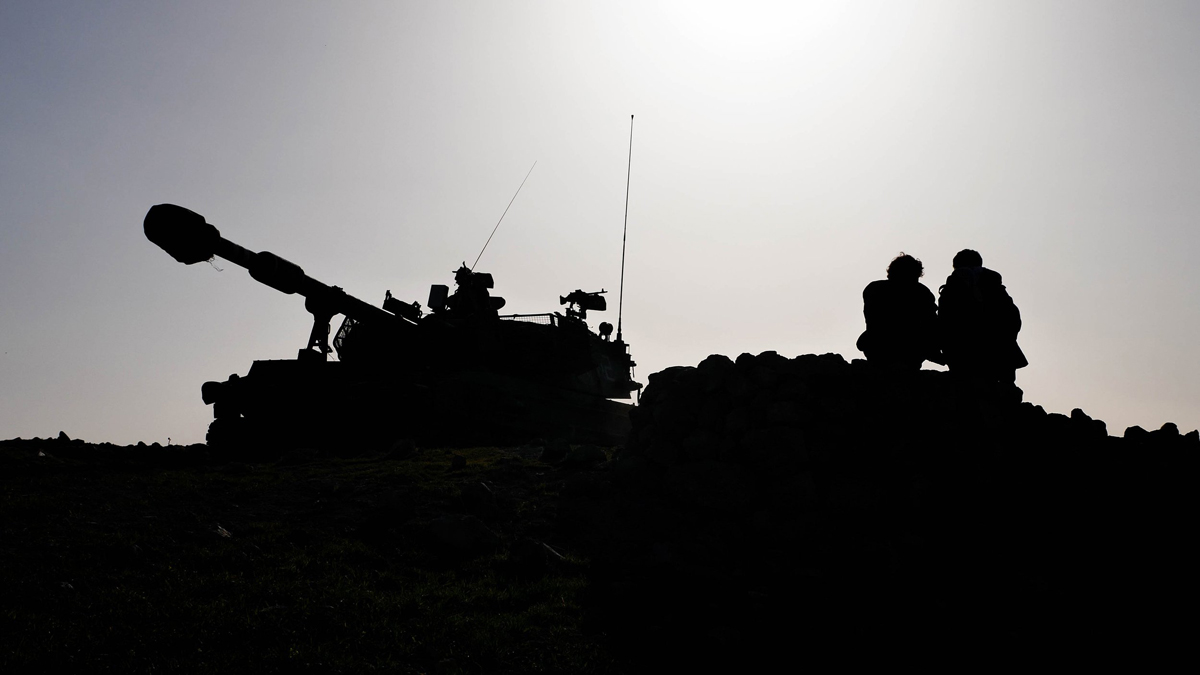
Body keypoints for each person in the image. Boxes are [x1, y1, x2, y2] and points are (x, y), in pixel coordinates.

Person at [937, 249, 1027, 385]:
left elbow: (944, 323)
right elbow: (1014, 318)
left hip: (964, 356)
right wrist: (1006, 340)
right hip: (1001, 355)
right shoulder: (995, 287)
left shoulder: (952, 289)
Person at [856, 253, 941, 370]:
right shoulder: (921, 292)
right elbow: (931, 322)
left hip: (877, 348)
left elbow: (873, 322)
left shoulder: (874, 288)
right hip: (908, 349)